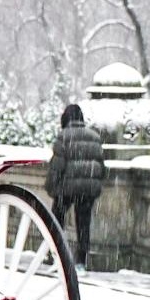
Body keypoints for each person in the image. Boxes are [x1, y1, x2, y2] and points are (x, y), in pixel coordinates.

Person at [46, 103, 106, 270]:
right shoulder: (94, 136)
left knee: (56, 220)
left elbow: (57, 167)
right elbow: (101, 166)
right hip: (88, 190)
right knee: (83, 224)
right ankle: (81, 260)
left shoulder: (63, 136)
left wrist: (52, 188)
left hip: (66, 188)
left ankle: (55, 254)